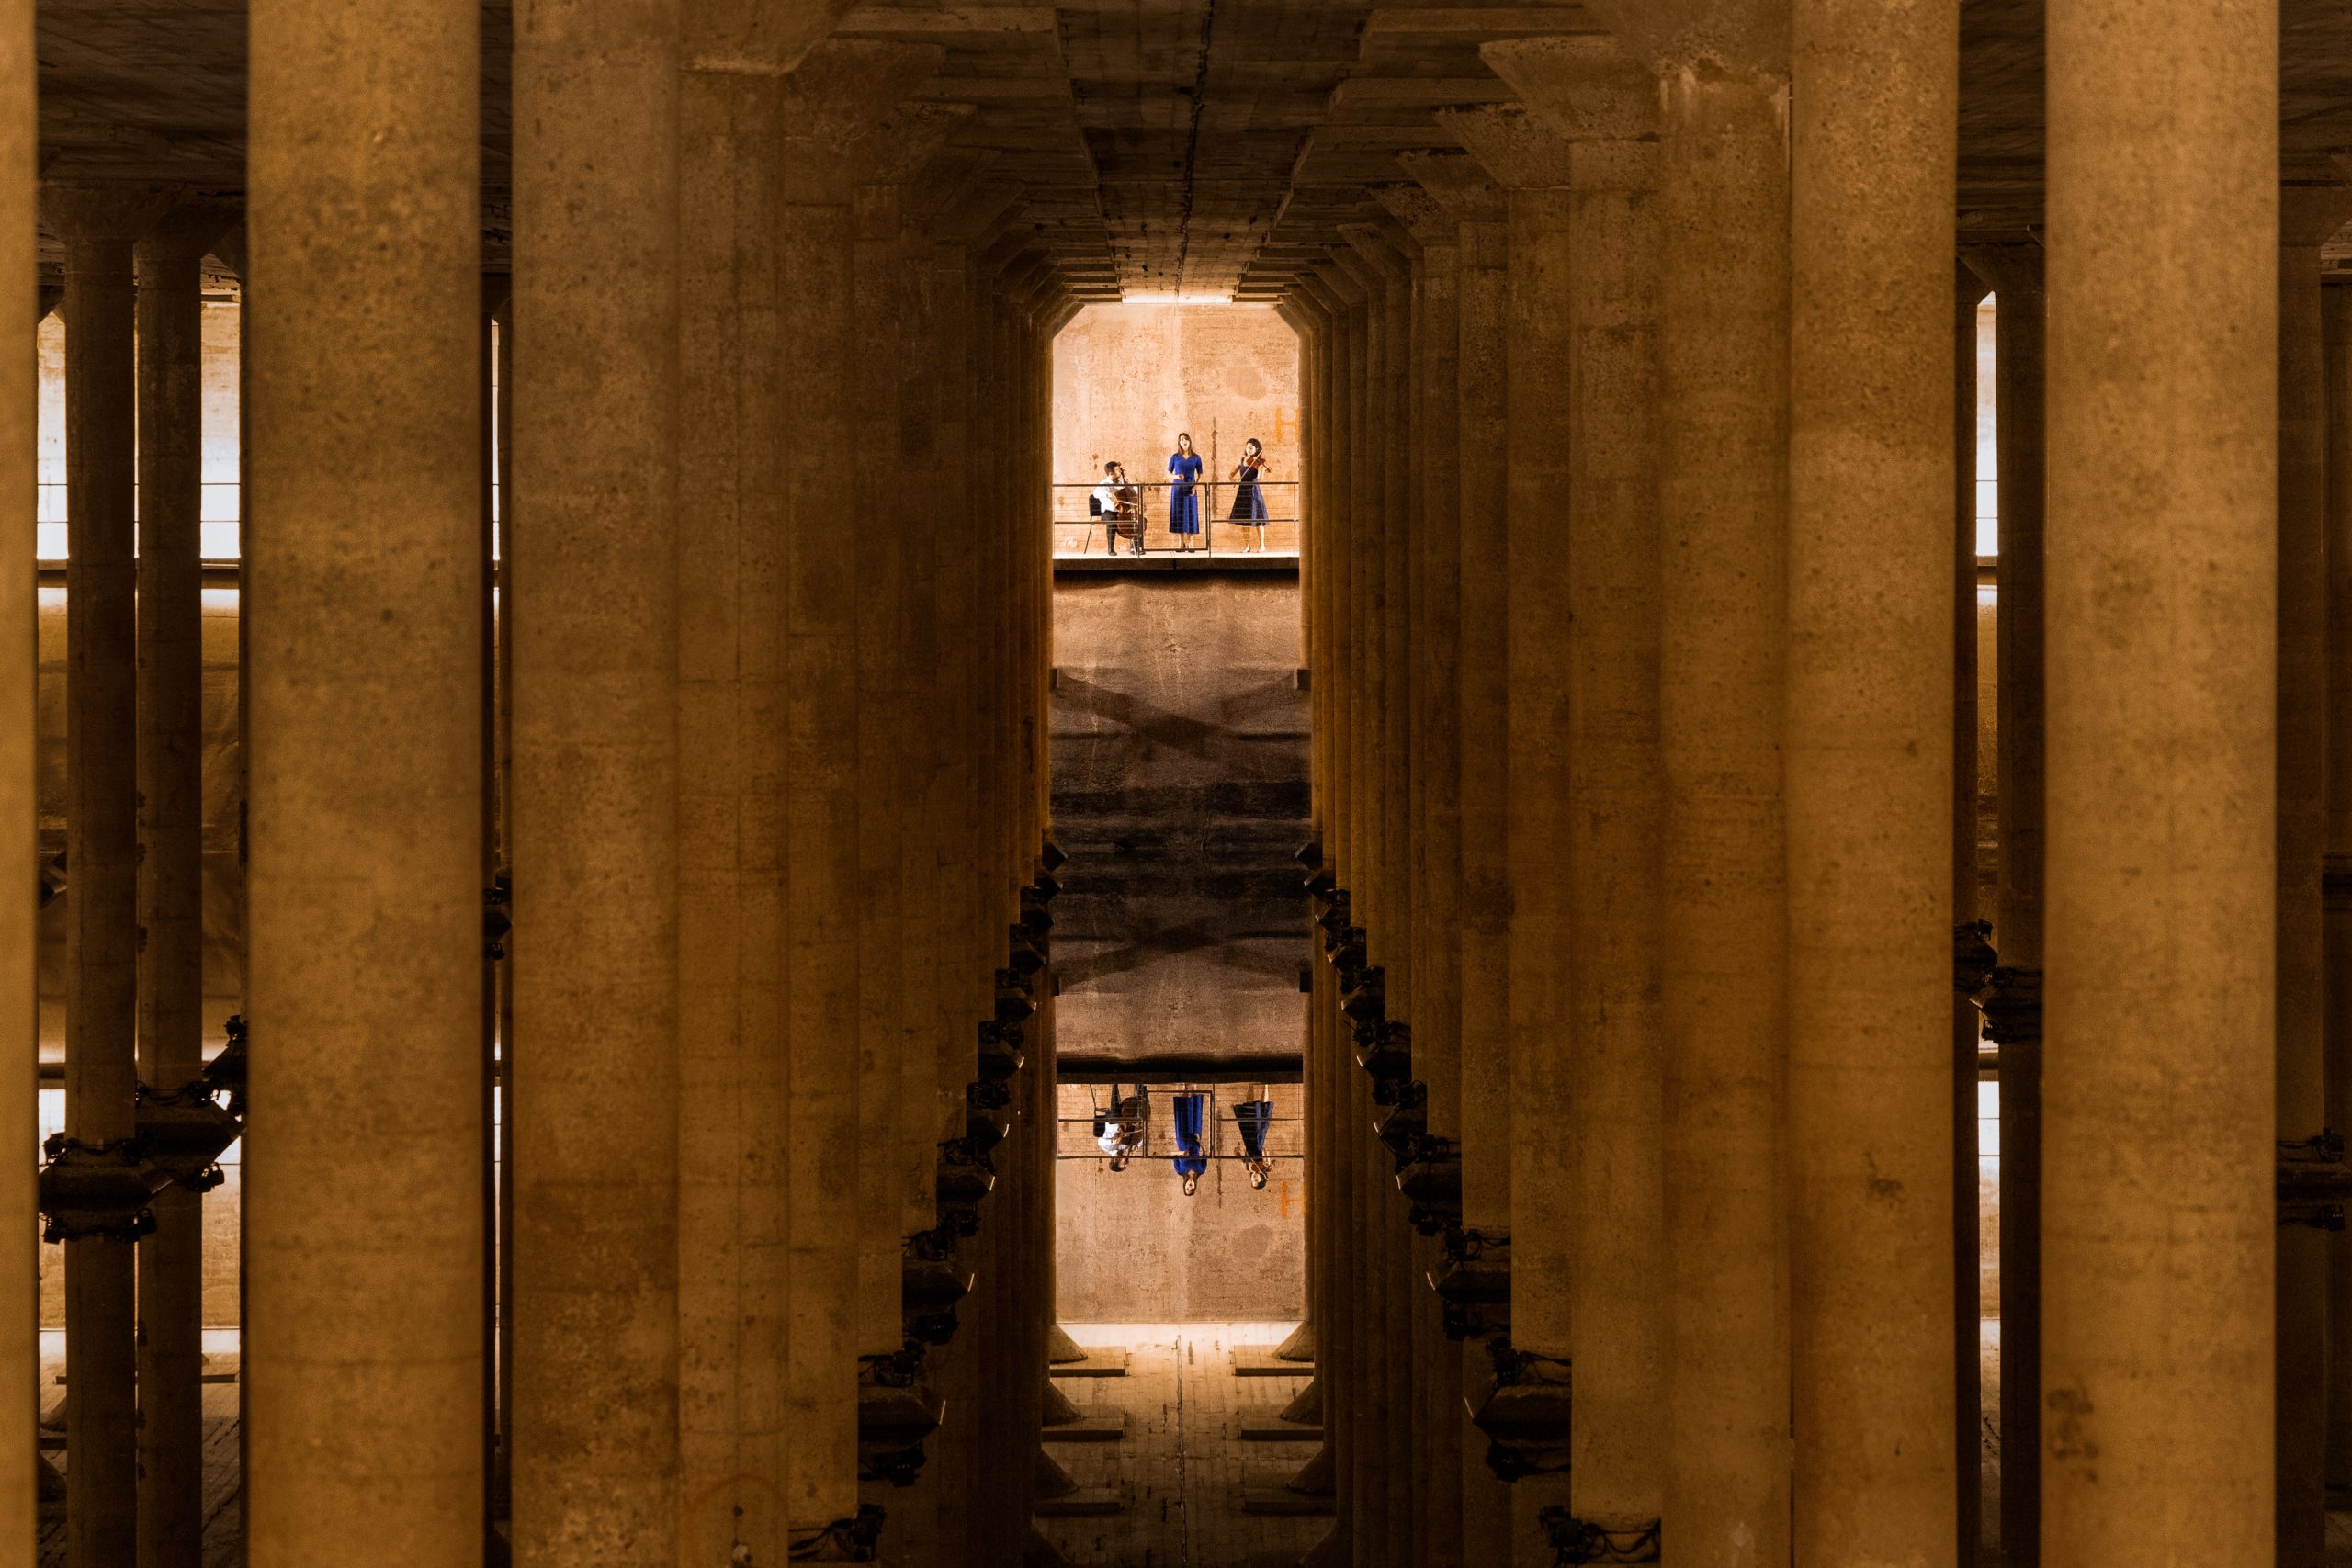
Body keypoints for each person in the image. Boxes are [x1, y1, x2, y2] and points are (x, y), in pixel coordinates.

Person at [1089, 460, 1145, 556]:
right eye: (1117, 470)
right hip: (1109, 512)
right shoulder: (1104, 484)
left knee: (1137, 519)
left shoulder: (1123, 482)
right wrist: (1109, 494)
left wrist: (1130, 485)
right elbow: (1096, 494)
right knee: (1112, 521)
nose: (1120, 472)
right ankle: (1110, 549)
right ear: (1111, 473)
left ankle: (1136, 547)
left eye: (1119, 470)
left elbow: (1135, 492)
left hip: (1125, 510)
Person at [1227, 438, 1270, 553]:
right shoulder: (1240, 461)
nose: (1249, 449)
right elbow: (1230, 475)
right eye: (1247, 447)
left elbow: (1259, 480)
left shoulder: (1259, 462)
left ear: (1257, 449)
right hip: (1243, 492)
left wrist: (1261, 470)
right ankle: (1247, 546)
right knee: (1244, 520)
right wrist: (1234, 480)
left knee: (1258, 519)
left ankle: (1262, 545)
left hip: (1254, 492)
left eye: (1251, 448)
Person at [1093, 1082, 1147, 1170]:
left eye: (1124, 1162)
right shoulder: (1126, 1148)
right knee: (1140, 1117)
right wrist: (1136, 1146)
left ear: (1115, 1160)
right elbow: (1142, 1140)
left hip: (1113, 1122)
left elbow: (1100, 1141)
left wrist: (1112, 1141)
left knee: (1116, 1119)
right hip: (1128, 1121)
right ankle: (1139, 1085)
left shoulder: (1107, 1148)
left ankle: (1115, 1085)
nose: (1126, 1160)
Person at [1166, 433, 1204, 551]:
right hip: (1178, 489)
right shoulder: (1175, 457)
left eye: (1186, 439)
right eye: (1182, 440)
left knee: (1191, 513)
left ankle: (1191, 543)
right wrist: (1177, 476)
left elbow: (1200, 474)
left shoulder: (1196, 457)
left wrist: (1195, 487)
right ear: (1179, 442)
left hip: (1191, 488)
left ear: (1189, 441)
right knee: (1179, 513)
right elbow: (1168, 475)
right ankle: (1181, 543)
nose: (1184, 441)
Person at [1232, 1093, 1275, 1189]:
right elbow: (1265, 1149)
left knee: (1248, 1107)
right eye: (1256, 1180)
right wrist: (1266, 1160)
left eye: (1252, 1180)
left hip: (1247, 1136)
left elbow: (1236, 1153)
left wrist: (1239, 1149)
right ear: (1261, 1179)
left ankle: (1251, 1082)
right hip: (1259, 1138)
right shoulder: (1266, 1167)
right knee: (1263, 1110)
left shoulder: (1247, 1168)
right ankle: (1266, 1084)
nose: (1253, 1178)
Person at [1171, 1090, 1209, 1196]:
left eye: (1187, 1187)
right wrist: (1200, 1141)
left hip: (1182, 1138)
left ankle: (1182, 1087)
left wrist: (1181, 1153)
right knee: (1195, 1114)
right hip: (1195, 1138)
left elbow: (1172, 1155)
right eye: (1191, 1187)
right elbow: (1205, 1153)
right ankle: (1194, 1087)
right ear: (1195, 1186)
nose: (1190, 1185)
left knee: (1182, 1113)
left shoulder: (1180, 1171)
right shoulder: (1201, 1170)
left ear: (1185, 1185)